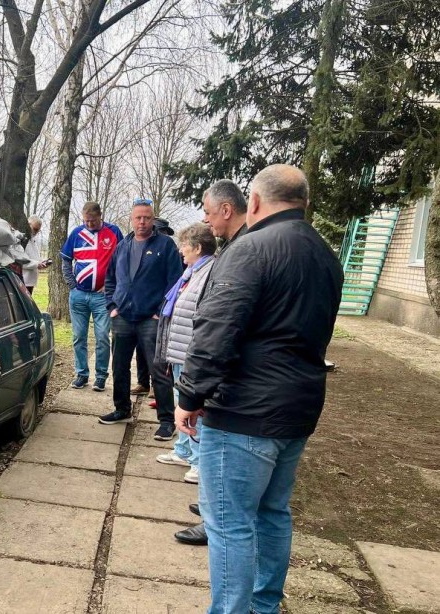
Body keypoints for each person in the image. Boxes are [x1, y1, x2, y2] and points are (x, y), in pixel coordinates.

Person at [175, 165, 343, 614]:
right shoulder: (325, 253)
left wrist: (189, 396)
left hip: (246, 411)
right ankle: (263, 606)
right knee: (272, 513)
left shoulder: (250, 248)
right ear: (303, 202)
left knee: (229, 524)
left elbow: (215, 330)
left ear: (252, 202)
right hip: (298, 409)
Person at [173, 178, 248, 547]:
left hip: (240, 391)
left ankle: (213, 523)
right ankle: (211, 512)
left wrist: (191, 396)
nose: (208, 221)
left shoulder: (241, 255)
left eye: (208, 213)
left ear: (226, 210)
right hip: (272, 392)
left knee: (224, 469)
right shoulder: (307, 249)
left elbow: (216, 329)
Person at [99, 198, 183, 440]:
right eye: (138, 217)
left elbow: (174, 283)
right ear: (132, 218)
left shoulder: (165, 245)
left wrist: (160, 312)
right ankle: (121, 409)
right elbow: (111, 278)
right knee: (119, 366)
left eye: (147, 217)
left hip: (151, 318)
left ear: (153, 218)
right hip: (123, 316)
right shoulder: (122, 246)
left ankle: (166, 421)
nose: (142, 221)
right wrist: (112, 305)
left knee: (159, 370)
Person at [153, 222, 217, 484]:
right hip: (179, 350)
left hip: (190, 352)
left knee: (192, 407)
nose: (181, 250)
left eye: (185, 246)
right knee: (182, 402)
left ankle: (199, 461)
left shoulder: (208, 272)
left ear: (198, 248)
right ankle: (183, 451)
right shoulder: (192, 271)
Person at [61, 201, 123, 391]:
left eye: (92, 221)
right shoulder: (76, 233)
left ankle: (101, 376)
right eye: (86, 221)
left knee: (102, 336)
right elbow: (66, 259)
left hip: (101, 297)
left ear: (100, 216)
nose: (89, 224)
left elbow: (122, 261)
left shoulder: (113, 232)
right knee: (79, 336)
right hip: (78, 295)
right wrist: (72, 284)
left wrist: (110, 286)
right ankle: (81, 374)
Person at [133, 217, 176, 397]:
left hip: (161, 308)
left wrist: (162, 309)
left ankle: (155, 385)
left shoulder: (169, 248)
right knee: (141, 348)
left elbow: (173, 280)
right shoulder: (142, 249)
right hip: (141, 308)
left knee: (157, 350)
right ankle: (143, 382)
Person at [22, 215, 47, 295]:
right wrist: (36, 264)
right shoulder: (22, 240)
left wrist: (43, 262)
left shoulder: (33, 241)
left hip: (30, 281)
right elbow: (20, 261)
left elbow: (35, 258)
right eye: (35, 229)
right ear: (28, 225)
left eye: (38, 230)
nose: (35, 232)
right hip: (23, 280)